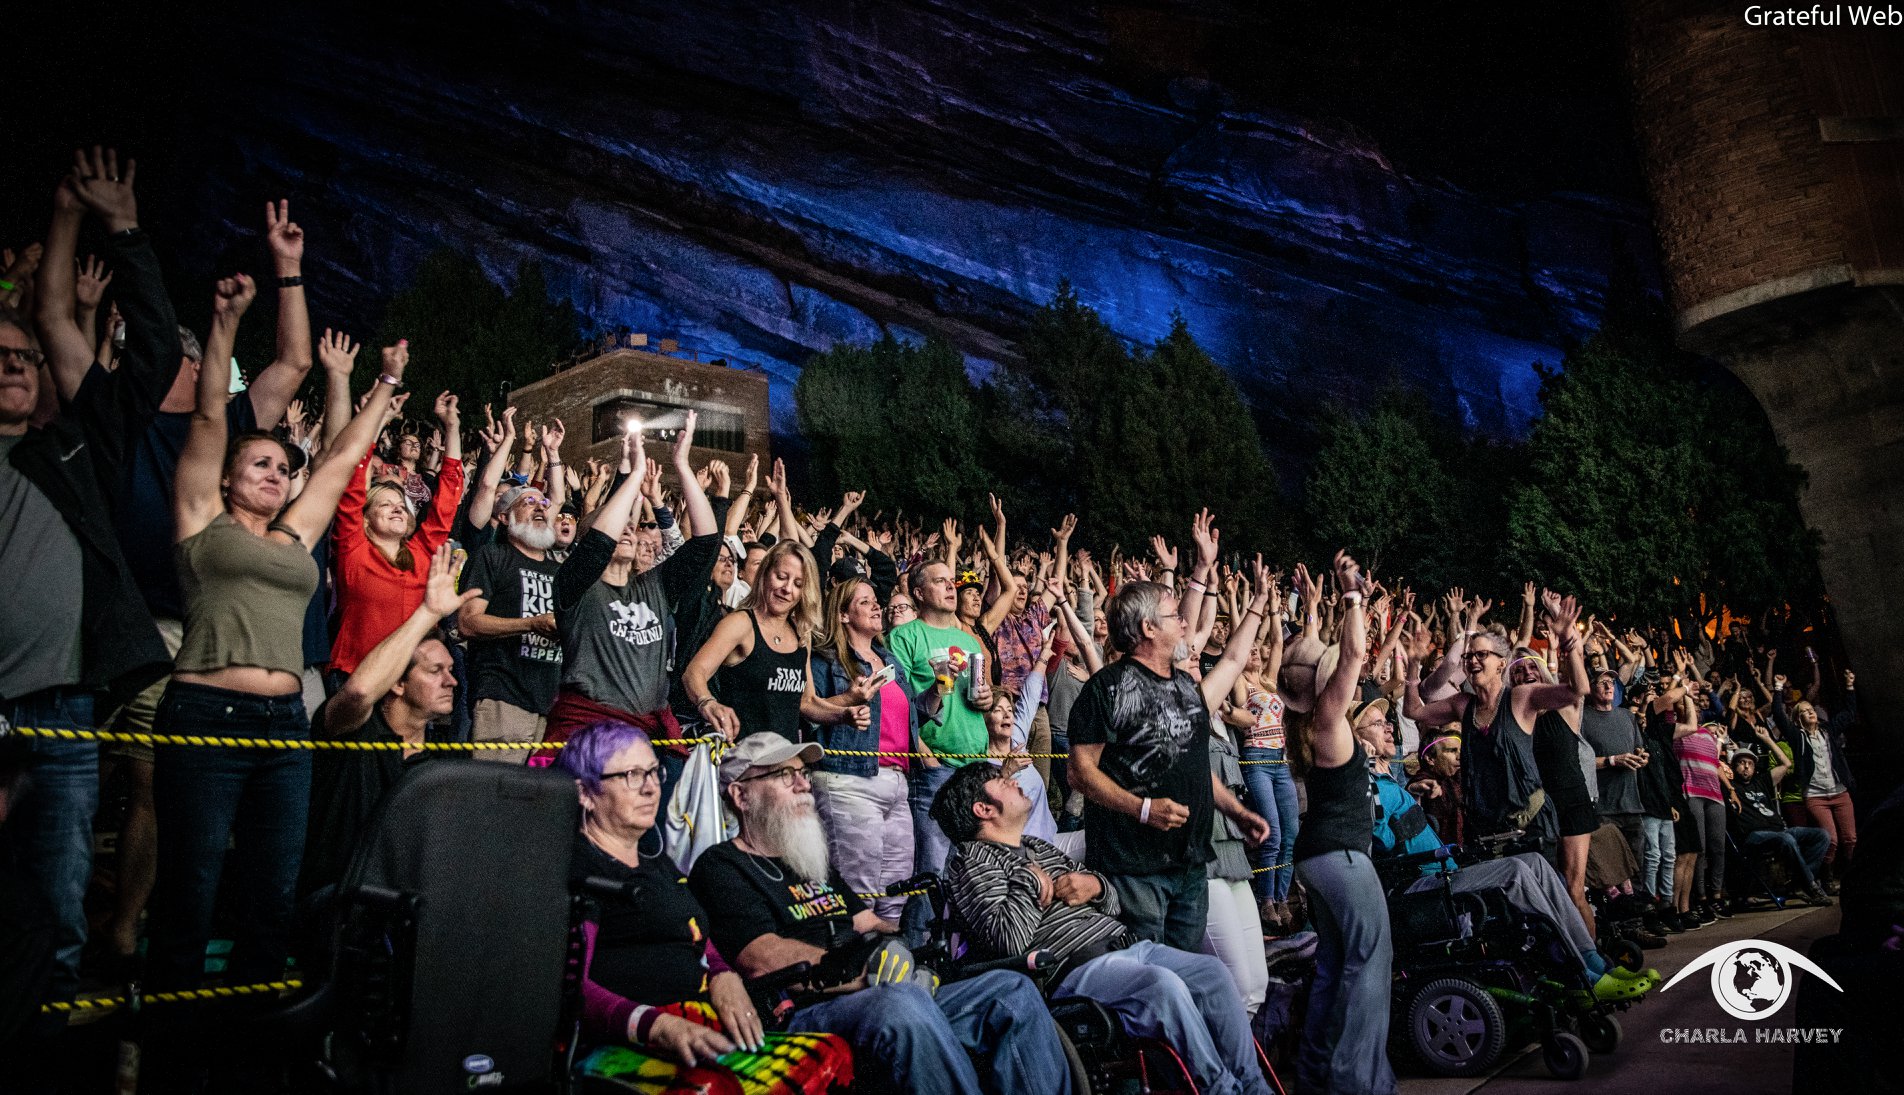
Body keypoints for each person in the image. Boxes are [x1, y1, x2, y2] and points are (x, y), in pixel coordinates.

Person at [147, 276, 401, 996]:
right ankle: (173, 1040)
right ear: (225, 478)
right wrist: (223, 324)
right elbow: (205, 422)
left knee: (272, 890)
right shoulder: (202, 523)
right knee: (191, 885)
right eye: (259, 462)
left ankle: (251, 1041)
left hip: (284, 726)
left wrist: (384, 382)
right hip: (205, 717)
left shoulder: (295, 536)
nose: (276, 472)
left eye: (282, 467)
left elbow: (344, 458)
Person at [0, 151, 180, 1005]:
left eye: (23, 359)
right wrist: (63, 220)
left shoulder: (74, 447)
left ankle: (40, 1044)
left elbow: (135, 344)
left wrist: (119, 228)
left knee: (59, 884)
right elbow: (40, 311)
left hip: (64, 700)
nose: (12, 363)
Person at [686, 733, 1073, 1095]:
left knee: (1010, 991)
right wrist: (865, 969)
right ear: (741, 794)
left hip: (880, 993)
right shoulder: (723, 865)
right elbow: (760, 957)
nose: (803, 784)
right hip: (804, 1012)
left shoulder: (808, 863)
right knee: (902, 1005)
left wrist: (909, 950)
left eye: (802, 773)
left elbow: (868, 922)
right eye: (784, 775)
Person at [931, 762, 1273, 1095]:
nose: (1012, 780)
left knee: (1212, 973)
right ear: (982, 808)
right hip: (1073, 968)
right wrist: (1027, 880)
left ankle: (1255, 1088)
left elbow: (1112, 903)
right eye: (998, 780)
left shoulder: (1038, 847)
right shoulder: (972, 861)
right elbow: (1010, 939)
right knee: (1161, 986)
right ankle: (1221, 1090)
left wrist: (1095, 885)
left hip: (1125, 946)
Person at [557, 722, 854, 1087]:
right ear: (585, 791)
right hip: (626, 1035)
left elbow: (697, 936)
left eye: (653, 772)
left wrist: (722, 974)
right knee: (711, 1087)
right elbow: (567, 984)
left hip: (700, 1021)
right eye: (633, 775)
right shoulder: (579, 868)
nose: (652, 787)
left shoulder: (657, 864)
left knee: (830, 1055)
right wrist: (654, 1025)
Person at [1066, 515, 1271, 951]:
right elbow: (1081, 774)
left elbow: (1193, 767)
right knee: (1149, 982)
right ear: (1147, 629)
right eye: (1173, 616)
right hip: (1134, 869)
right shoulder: (1107, 689)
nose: (1183, 624)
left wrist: (1237, 812)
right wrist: (1142, 809)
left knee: (1187, 973)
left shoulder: (1183, 686)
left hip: (1189, 866)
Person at [544, 419, 720, 789]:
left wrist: (682, 464)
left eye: (633, 524)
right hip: (588, 738)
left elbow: (705, 542)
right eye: (620, 524)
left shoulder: (655, 585)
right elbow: (595, 544)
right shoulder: (575, 587)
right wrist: (636, 472)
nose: (627, 528)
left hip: (644, 741)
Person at [300, 545, 477, 899]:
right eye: (435, 671)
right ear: (397, 682)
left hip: (406, 906)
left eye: (451, 670)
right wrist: (427, 613)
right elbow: (360, 691)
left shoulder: (446, 761)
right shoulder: (353, 733)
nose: (451, 681)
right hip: (334, 902)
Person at [1288, 550, 1395, 1095]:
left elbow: (1335, 654)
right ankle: (1361, 1085)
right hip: (1343, 860)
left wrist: (1323, 608)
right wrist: (1350, 594)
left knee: (1334, 970)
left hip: (1318, 857)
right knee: (1368, 968)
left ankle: (1316, 1077)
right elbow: (1354, 652)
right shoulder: (1327, 720)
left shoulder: (1305, 723)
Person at [328, 384, 465, 676]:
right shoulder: (352, 547)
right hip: (354, 675)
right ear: (365, 519)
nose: (397, 508)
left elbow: (447, 501)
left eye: (401, 505)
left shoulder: (421, 553)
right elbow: (352, 484)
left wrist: (452, 427)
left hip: (409, 682)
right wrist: (377, 421)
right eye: (385, 505)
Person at [808, 577, 920, 924]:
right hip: (850, 780)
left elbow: (909, 715)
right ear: (842, 615)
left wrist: (935, 695)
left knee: (896, 892)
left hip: (897, 783)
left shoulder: (889, 660)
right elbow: (809, 710)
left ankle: (890, 970)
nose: (877, 606)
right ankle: (852, 971)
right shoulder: (827, 661)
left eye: (876, 600)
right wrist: (849, 701)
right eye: (865, 602)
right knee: (858, 896)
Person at [685, 532, 863, 745]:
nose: (787, 589)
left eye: (798, 584)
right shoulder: (741, 623)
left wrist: (843, 715)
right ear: (765, 574)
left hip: (783, 760)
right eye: (781, 577)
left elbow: (807, 703)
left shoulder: (800, 634)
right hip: (743, 760)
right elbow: (694, 672)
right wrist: (707, 702)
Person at [888, 557, 997, 883]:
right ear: (919, 593)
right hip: (936, 769)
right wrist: (922, 751)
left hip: (975, 766)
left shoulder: (967, 640)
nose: (951, 587)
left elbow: (983, 696)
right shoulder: (905, 637)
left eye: (952, 581)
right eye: (940, 581)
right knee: (933, 872)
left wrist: (987, 700)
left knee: (972, 873)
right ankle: (919, 935)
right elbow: (898, 705)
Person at [458, 461, 565, 760]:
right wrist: (531, 624)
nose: (540, 506)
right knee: (496, 794)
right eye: (528, 502)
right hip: (502, 695)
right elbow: (468, 623)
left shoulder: (560, 571)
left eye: (542, 502)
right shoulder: (491, 556)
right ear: (504, 517)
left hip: (549, 700)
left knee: (537, 800)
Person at [1232, 591, 1297, 930]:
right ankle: (1265, 900)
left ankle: (1283, 898)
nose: (1255, 651)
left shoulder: (1269, 681)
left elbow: (1277, 642)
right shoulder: (1240, 682)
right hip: (1256, 758)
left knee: (1291, 832)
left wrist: (1274, 609)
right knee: (1271, 832)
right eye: (1249, 649)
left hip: (1281, 761)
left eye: (1258, 649)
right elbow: (1225, 661)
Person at [1771, 669, 1857, 889]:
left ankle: (1855, 878)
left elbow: (1849, 714)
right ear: (1799, 718)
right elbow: (1780, 717)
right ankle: (1827, 878)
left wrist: (1849, 686)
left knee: (1850, 839)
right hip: (1816, 795)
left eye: (1811, 710)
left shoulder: (1827, 730)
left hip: (1839, 791)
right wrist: (1778, 689)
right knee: (1832, 840)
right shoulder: (1797, 736)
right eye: (1805, 711)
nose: (1811, 713)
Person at [1725, 743, 1833, 907]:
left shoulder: (1762, 782)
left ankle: (1799, 883)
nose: (1746, 766)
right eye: (1741, 763)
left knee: (1822, 835)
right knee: (1787, 839)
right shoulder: (1730, 787)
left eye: (1750, 763)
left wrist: (1767, 739)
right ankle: (1811, 886)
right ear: (1733, 766)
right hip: (1753, 837)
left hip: (1780, 831)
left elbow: (1786, 764)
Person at [1581, 669, 1650, 871]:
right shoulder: (1582, 718)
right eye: (1602, 682)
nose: (1609, 686)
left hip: (1631, 804)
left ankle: (1636, 903)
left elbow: (1639, 748)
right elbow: (1578, 761)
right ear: (1590, 688)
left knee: (1637, 867)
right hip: (1603, 807)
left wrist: (1642, 757)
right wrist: (1612, 761)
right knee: (1609, 870)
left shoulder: (1627, 716)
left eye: (1611, 681)